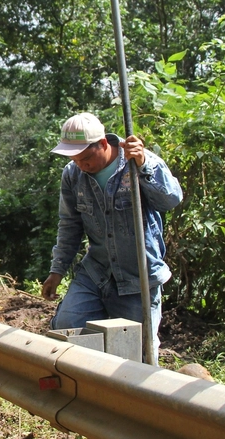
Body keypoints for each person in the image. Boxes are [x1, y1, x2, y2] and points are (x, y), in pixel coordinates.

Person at [42, 112, 183, 361]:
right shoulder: (73, 175)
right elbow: (69, 225)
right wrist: (57, 270)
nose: (80, 164)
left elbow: (171, 200)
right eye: (74, 158)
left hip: (137, 279)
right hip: (96, 273)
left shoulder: (139, 162)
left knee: (137, 354)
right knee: (67, 326)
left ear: (104, 144)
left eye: (85, 157)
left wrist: (143, 167)